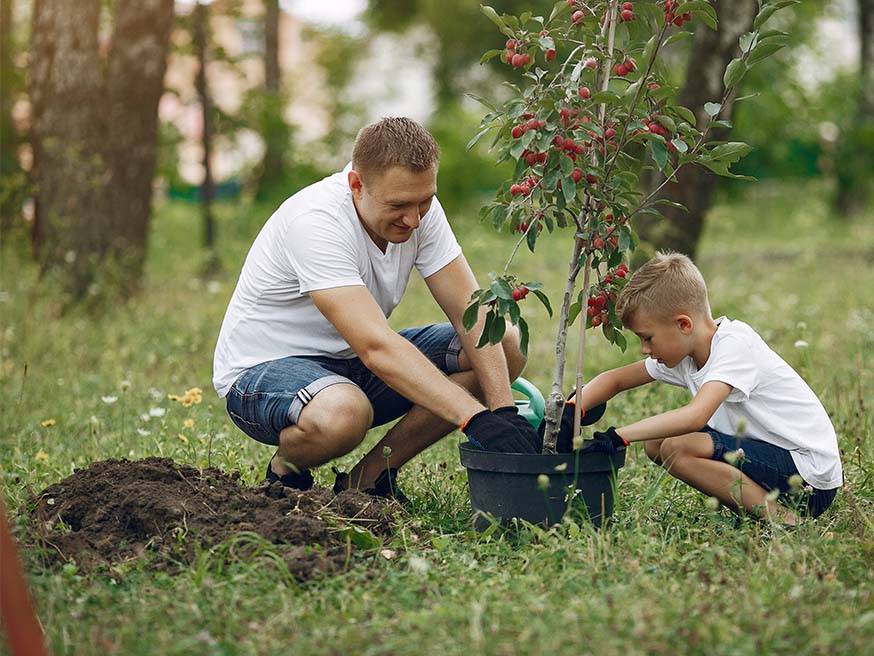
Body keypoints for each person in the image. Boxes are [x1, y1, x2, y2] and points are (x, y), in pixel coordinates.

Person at [213, 117, 541, 502]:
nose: (414, 219)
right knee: (344, 414)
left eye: (425, 201)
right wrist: (476, 419)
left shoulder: (419, 211)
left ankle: (368, 479)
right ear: (356, 185)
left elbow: (472, 312)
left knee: (502, 342)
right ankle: (286, 470)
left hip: (352, 365)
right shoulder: (316, 222)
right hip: (264, 371)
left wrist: (502, 413)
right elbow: (376, 346)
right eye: (399, 205)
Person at [580, 251, 842, 523]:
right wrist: (571, 408)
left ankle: (786, 521)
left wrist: (618, 436)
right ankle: (755, 505)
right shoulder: (687, 349)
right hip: (771, 458)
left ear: (683, 324)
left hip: (809, 479)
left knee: (678, 448)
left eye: (647, 338)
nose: (645, 349)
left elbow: (695, 416)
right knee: (656, 442)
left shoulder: (734, 345)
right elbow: (615, 379)